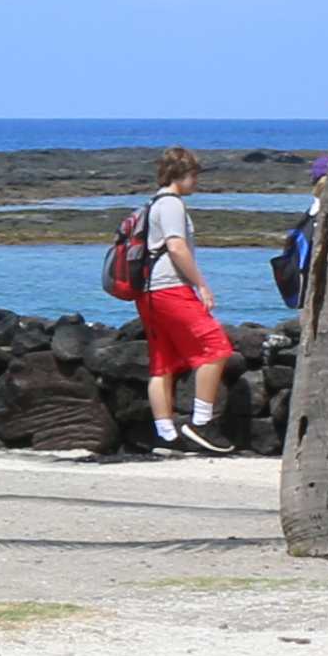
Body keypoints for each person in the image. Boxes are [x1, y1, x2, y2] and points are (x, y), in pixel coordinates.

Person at [118, 145, 239, 456]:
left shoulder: (152, 203)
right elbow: (176, 248)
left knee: (162, 362)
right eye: (194, 174)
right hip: (170, 288)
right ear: (181, 174)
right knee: (216, 347)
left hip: (149, 292)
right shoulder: (171, 204)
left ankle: (166, 436)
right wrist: (202, 285)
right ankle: (201, 423)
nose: (196, 181)